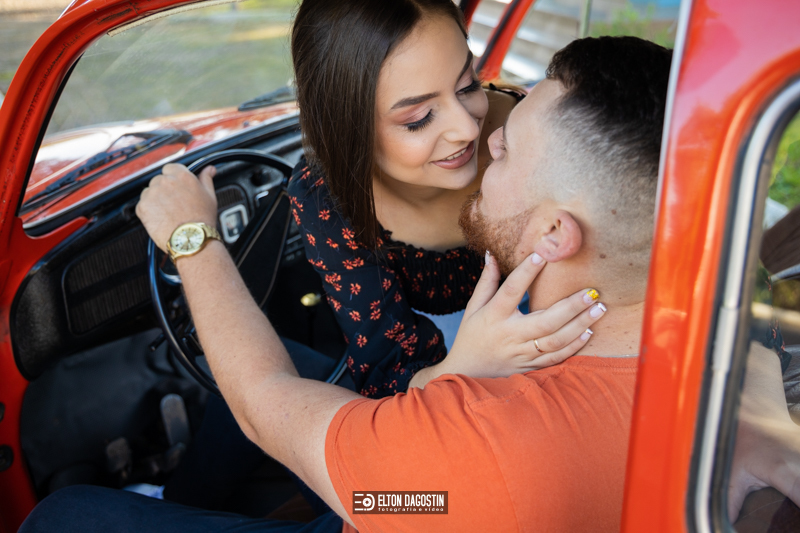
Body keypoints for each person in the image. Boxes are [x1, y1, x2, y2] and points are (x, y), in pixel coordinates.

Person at [20, 36, 800, 532]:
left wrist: (192, 240)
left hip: (408, 502)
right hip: (427, 486)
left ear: (556, 235)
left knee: (62, 514)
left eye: (504, 150)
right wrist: (454, 378)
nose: (479, 144)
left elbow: (266, 402)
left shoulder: (476, 451)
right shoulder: (747, 346)